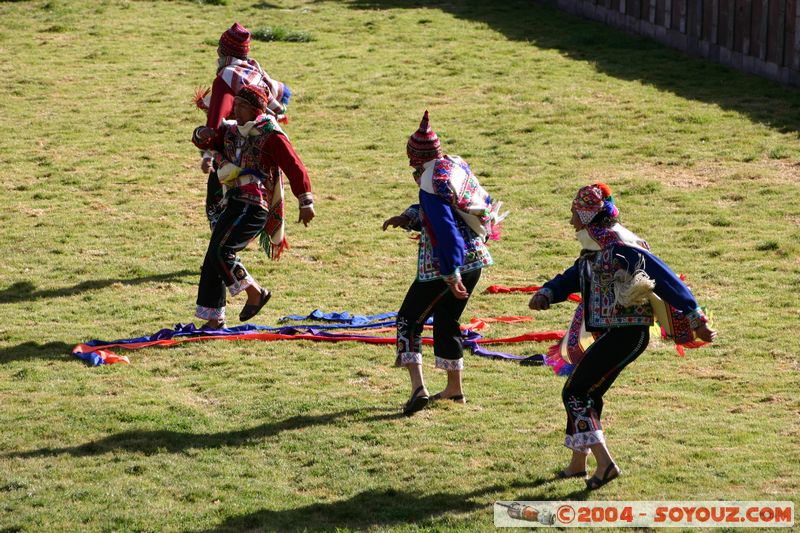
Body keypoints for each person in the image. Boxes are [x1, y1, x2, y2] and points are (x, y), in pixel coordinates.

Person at [528, 182, 716, 490]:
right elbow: (577, 273)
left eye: (575, 214)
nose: (571, 221)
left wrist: (695, 316)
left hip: (625, 334)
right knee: (586, 391)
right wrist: (550, 291)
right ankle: (578, 463)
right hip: (611, 333)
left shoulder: (619, 246)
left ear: (589, 218)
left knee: (575, 393)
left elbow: (664, 277)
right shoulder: (599, 246)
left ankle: (605, 464)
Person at [383, 111, 506, 416]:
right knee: (447, 320)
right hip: (476, 258)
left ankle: (418, 389)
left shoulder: (429, 181)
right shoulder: (454, 165)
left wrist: (450, 273)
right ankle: (454, 390)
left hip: (448, 266)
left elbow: (446, 228)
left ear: (414, 156)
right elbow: (462, 207)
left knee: (407, 320)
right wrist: (409, 216)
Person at [191, 85, 315, 329]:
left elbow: (294, 165)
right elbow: (206, 140)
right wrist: (201, 134)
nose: (236, 109)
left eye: (243, 106)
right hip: (234, 203)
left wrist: (305, 201)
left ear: (257, 110)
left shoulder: (271, 135)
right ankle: (214, 318)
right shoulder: (230, 130)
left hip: (254, 206)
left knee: (221, 252)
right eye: (235, 104)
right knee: (213, 255)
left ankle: (255, 292)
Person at [198, 22, 292, 230]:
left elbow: (216, 120)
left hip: (233, 148)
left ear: (224, 52)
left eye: (219, 49)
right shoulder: (255, 71)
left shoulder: (226, 77)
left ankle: (226, 256)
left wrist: (207, 151)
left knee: (217, 208)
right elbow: (280, 94)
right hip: (261, 149)